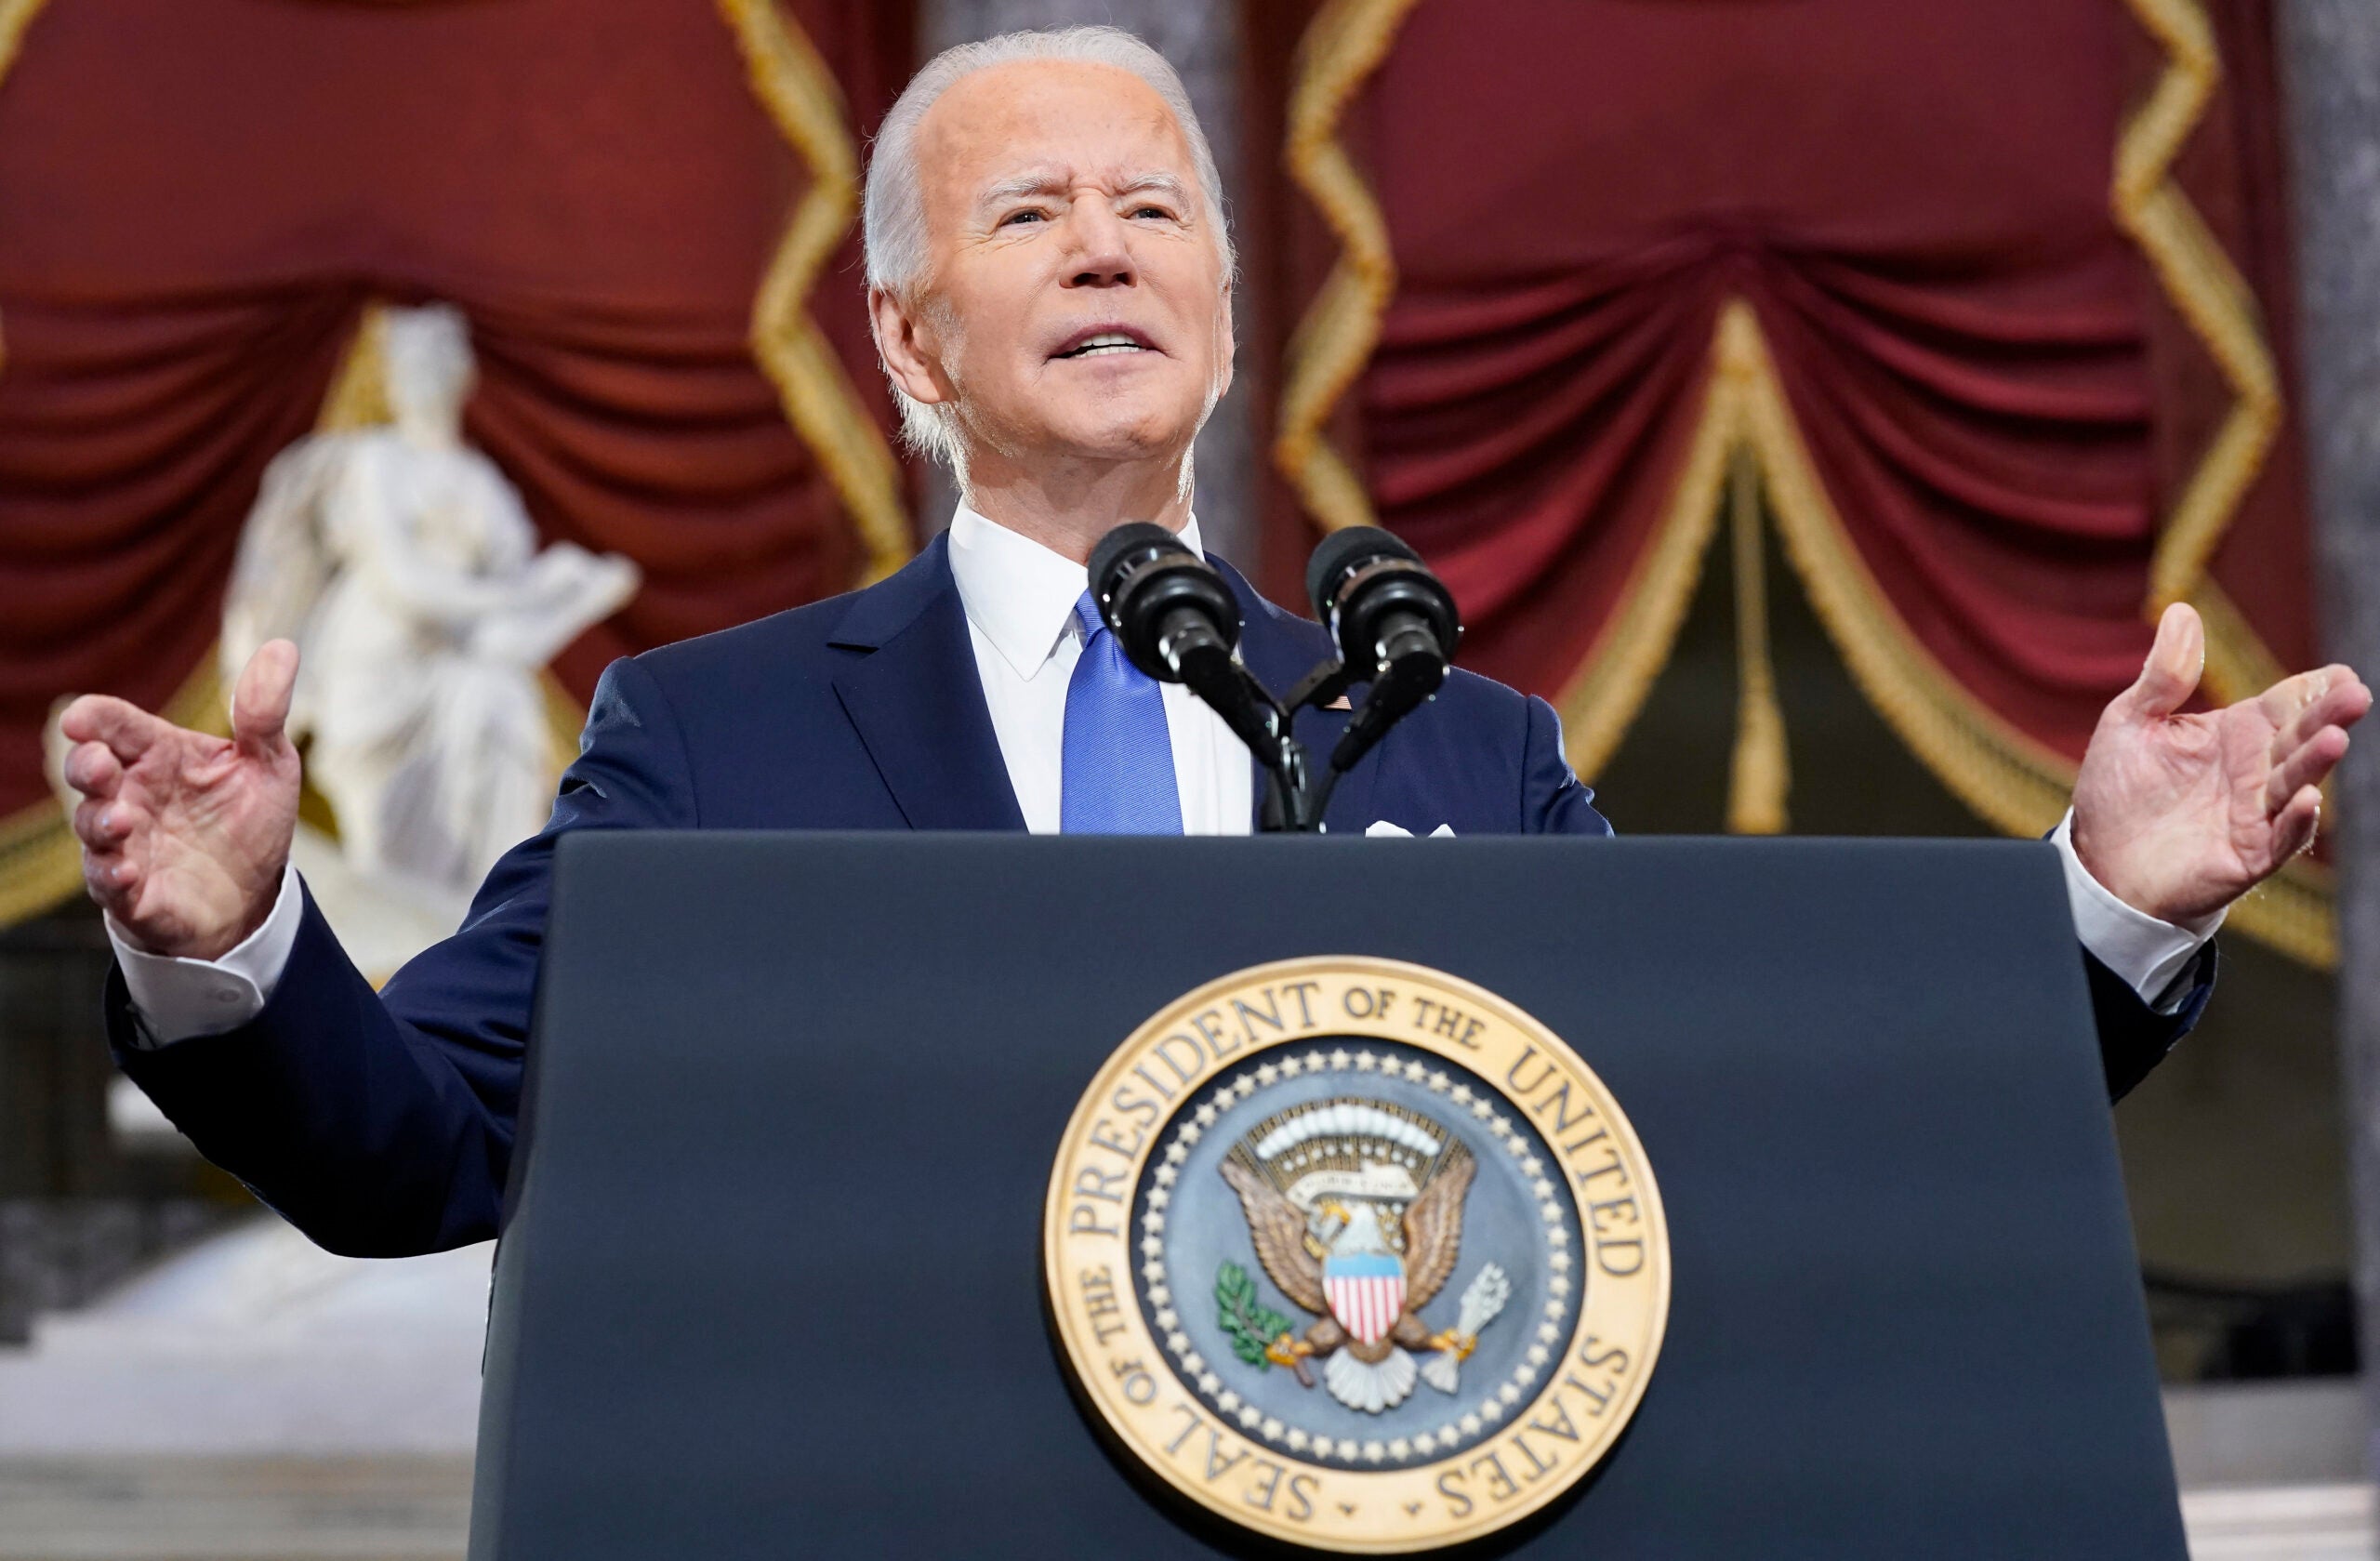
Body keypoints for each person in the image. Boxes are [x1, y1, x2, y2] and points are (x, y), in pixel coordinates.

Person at [55, 28, 2370, 1258]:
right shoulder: (713, 734)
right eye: (1029, 213)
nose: (1103, 247)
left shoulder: (1461, 747)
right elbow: (425, 1154)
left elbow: (1759, 1124)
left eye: (1155, 206)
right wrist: (236, 943)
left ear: (1227, 318)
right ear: (905, 337)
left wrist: (2100, 910)